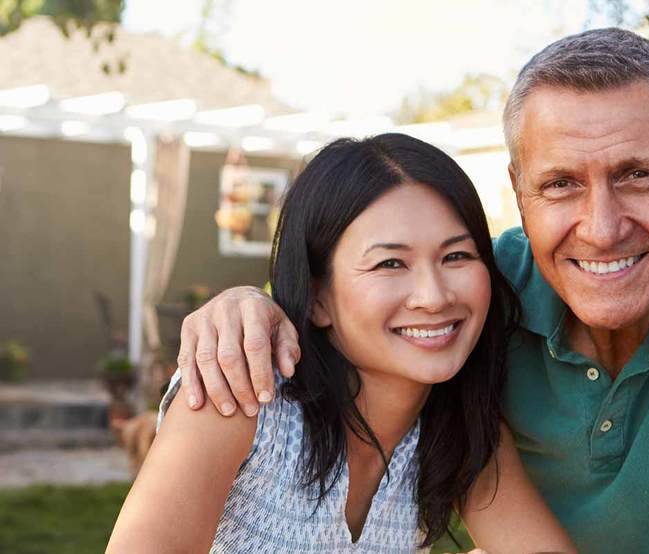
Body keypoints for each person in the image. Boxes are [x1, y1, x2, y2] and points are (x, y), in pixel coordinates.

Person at [175, 29, 649, 553]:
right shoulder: (477, 295)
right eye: (561, 183)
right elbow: (349, 305)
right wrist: (248, 305)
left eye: (636, 175)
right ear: (519, 194)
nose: (601, 229)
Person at [108, 134, 576, 553]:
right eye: (390, 264)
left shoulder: (461, 429)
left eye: (456, 255)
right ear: (316, 299)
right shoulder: (240, 397)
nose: (434, 297)